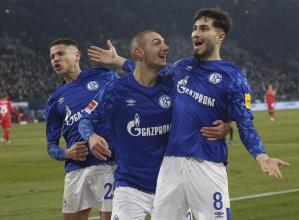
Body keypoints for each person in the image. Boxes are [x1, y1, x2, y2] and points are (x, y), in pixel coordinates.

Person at [149, 8, 290, 220]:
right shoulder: (181, 67)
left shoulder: (233, 77)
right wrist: (119, 62)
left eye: (204, 28)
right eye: (194, 28)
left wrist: (262, 157)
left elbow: (245, 122)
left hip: (207, 164)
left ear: (220, 36)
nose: (195, 33)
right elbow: (147, 75)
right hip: (170, 165)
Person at [79, 30, 229, 220]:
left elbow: (210, 105)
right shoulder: (115, 90)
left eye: (164, 43)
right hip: (130, 187)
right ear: (139, 52)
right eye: (157, 43)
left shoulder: (173, 85)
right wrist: (90, 137)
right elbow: (85, 118)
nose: (166, 47)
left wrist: (226, 126)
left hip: (173, 187)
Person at [45, 38, 117, 220]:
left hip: (107, 162)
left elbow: (131, 91)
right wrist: (67, 153)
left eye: (60, 54)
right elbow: (51, 146)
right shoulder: (54, 100)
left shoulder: (104, 76)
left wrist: (118, 62)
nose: (55, 59)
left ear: (77, 55)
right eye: (52, 56)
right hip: (75, 169)